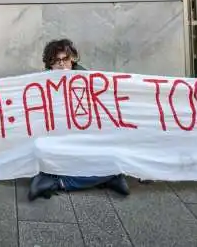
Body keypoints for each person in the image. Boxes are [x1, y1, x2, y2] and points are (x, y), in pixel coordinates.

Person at [28, 39, 131, 201]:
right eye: (56, 61)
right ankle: (106, 177)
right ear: (49, 64)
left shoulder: (89, 80)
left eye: (65, 60)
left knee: (114, 155)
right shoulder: (42, 83)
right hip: (57, 137)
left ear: (73, 59)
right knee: (40, 148)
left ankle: (60, 182)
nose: (62, 65)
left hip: (85, 137)